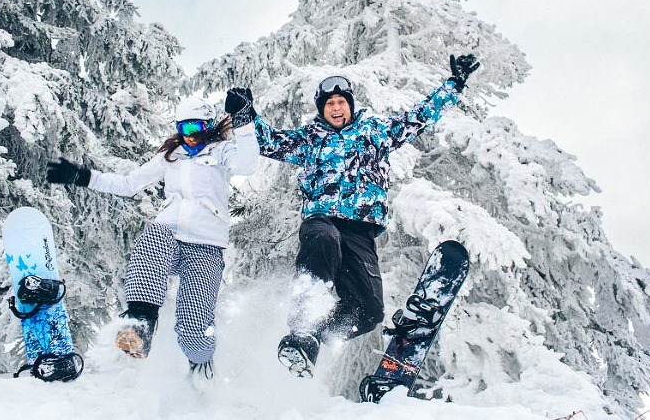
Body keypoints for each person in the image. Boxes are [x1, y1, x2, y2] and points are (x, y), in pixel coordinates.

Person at [242, 54, 480, 378]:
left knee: (369, 311)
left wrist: (454, 84)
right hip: (322, 221)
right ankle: (301, 330)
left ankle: (315, 336)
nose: (336, 108)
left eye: (341, 102)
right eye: (329, 104)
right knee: (324, 240)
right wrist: (246, 116)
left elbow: (420, 117)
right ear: (321, 109)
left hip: (360, 233)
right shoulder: (309, 140)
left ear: (350, 105)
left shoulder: (375, 132)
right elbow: (269, 142)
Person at [45, 90, 258, 382]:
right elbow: (129, 183)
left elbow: (248, 165)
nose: (189, 135)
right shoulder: (171, 157)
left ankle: (200, 364)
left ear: (208, 126)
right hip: (169, 233)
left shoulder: (222, 152)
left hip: (206, 247)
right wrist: (83, 176)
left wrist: (244, 121)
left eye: (195, 128)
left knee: (192, 332)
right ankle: (142, 322)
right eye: (183, 129)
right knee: (153, 234)